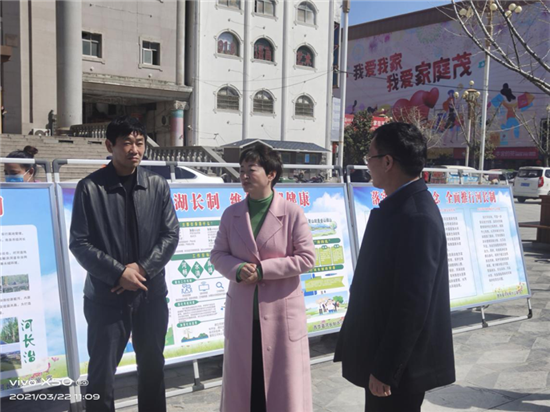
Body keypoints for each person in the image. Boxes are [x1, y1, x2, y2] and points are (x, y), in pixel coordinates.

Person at [334, 122, 455, 412]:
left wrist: (387, 368)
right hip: (383, 353)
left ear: (387, 162)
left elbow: (412, 304)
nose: (368, 164)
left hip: (399, 370)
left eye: (370, 157)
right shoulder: (401, 207)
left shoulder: (416, 216)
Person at [69, 116, 179, 412]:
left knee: (153, 367)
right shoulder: (90, 187)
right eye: (127, 142)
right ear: (110, 145)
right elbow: (79, 243)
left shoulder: (157, 185)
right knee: (101, 374)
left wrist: (140, 270)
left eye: (139, 143)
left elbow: (170, 234)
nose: (135, 149)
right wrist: (119, 273)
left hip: (150, 293)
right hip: (107, 297)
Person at [210, 143, 316, 412]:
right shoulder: (231, 214)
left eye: (251, 170)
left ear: (271, 174)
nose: (244, 176)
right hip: (243, 314)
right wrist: (237, 269)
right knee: (246, 388)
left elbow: (306, 258)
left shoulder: (292, 212)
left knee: (282, 389)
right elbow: (218, 255)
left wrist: (263, 270)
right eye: (241, 170)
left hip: (281, 315)